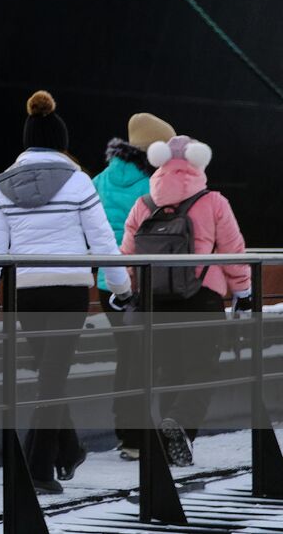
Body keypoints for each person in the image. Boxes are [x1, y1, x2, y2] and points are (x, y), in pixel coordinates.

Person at [0, 91, 132, 495]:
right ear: (62, 143)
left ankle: (69, 448)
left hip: (25, 293)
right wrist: (121, 287)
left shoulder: (2, 186)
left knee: (49, 376)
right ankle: (38, 470)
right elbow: (102, 242)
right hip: (69, 293)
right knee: (53, 377)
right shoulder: (78, 182)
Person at [120, 134, 251, 467]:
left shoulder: (144, 203)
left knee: (170, 371)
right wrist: (243, 290)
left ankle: (173, 444)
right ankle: (179, 426)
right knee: (202, 370)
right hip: (201, 297)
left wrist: (124, 289)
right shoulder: (213, 201)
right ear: (197, 164)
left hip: (155, 299)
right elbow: (233, 251)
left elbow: (127, 255)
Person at [90, 112, 174, 461]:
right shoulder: (154, 184)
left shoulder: (99, 180)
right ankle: (140, 435)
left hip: (106, 281)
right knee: (146, 359)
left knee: (127, 356)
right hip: (143, 281)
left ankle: (127, 434)